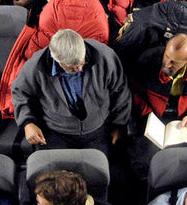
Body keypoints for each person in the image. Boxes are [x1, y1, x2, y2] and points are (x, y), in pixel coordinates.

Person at [12, 29, 131, 157]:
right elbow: (20, 93)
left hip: (97, 129)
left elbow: (120, 90)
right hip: (55, 132)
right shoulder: (35, 66)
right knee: (55, 175)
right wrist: (27, 123)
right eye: (73, 67)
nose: (80, 69)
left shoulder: (105, 57)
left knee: (96, 172)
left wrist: (119, 124)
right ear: (57, 60)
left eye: (82, 62)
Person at [129, 34, 187, 140]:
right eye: (166, 56)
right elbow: (135, 92)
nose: (167, 64)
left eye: (174, 62)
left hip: (184, 124)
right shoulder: (146, 61)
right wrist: (148, 115)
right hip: (151, 121)